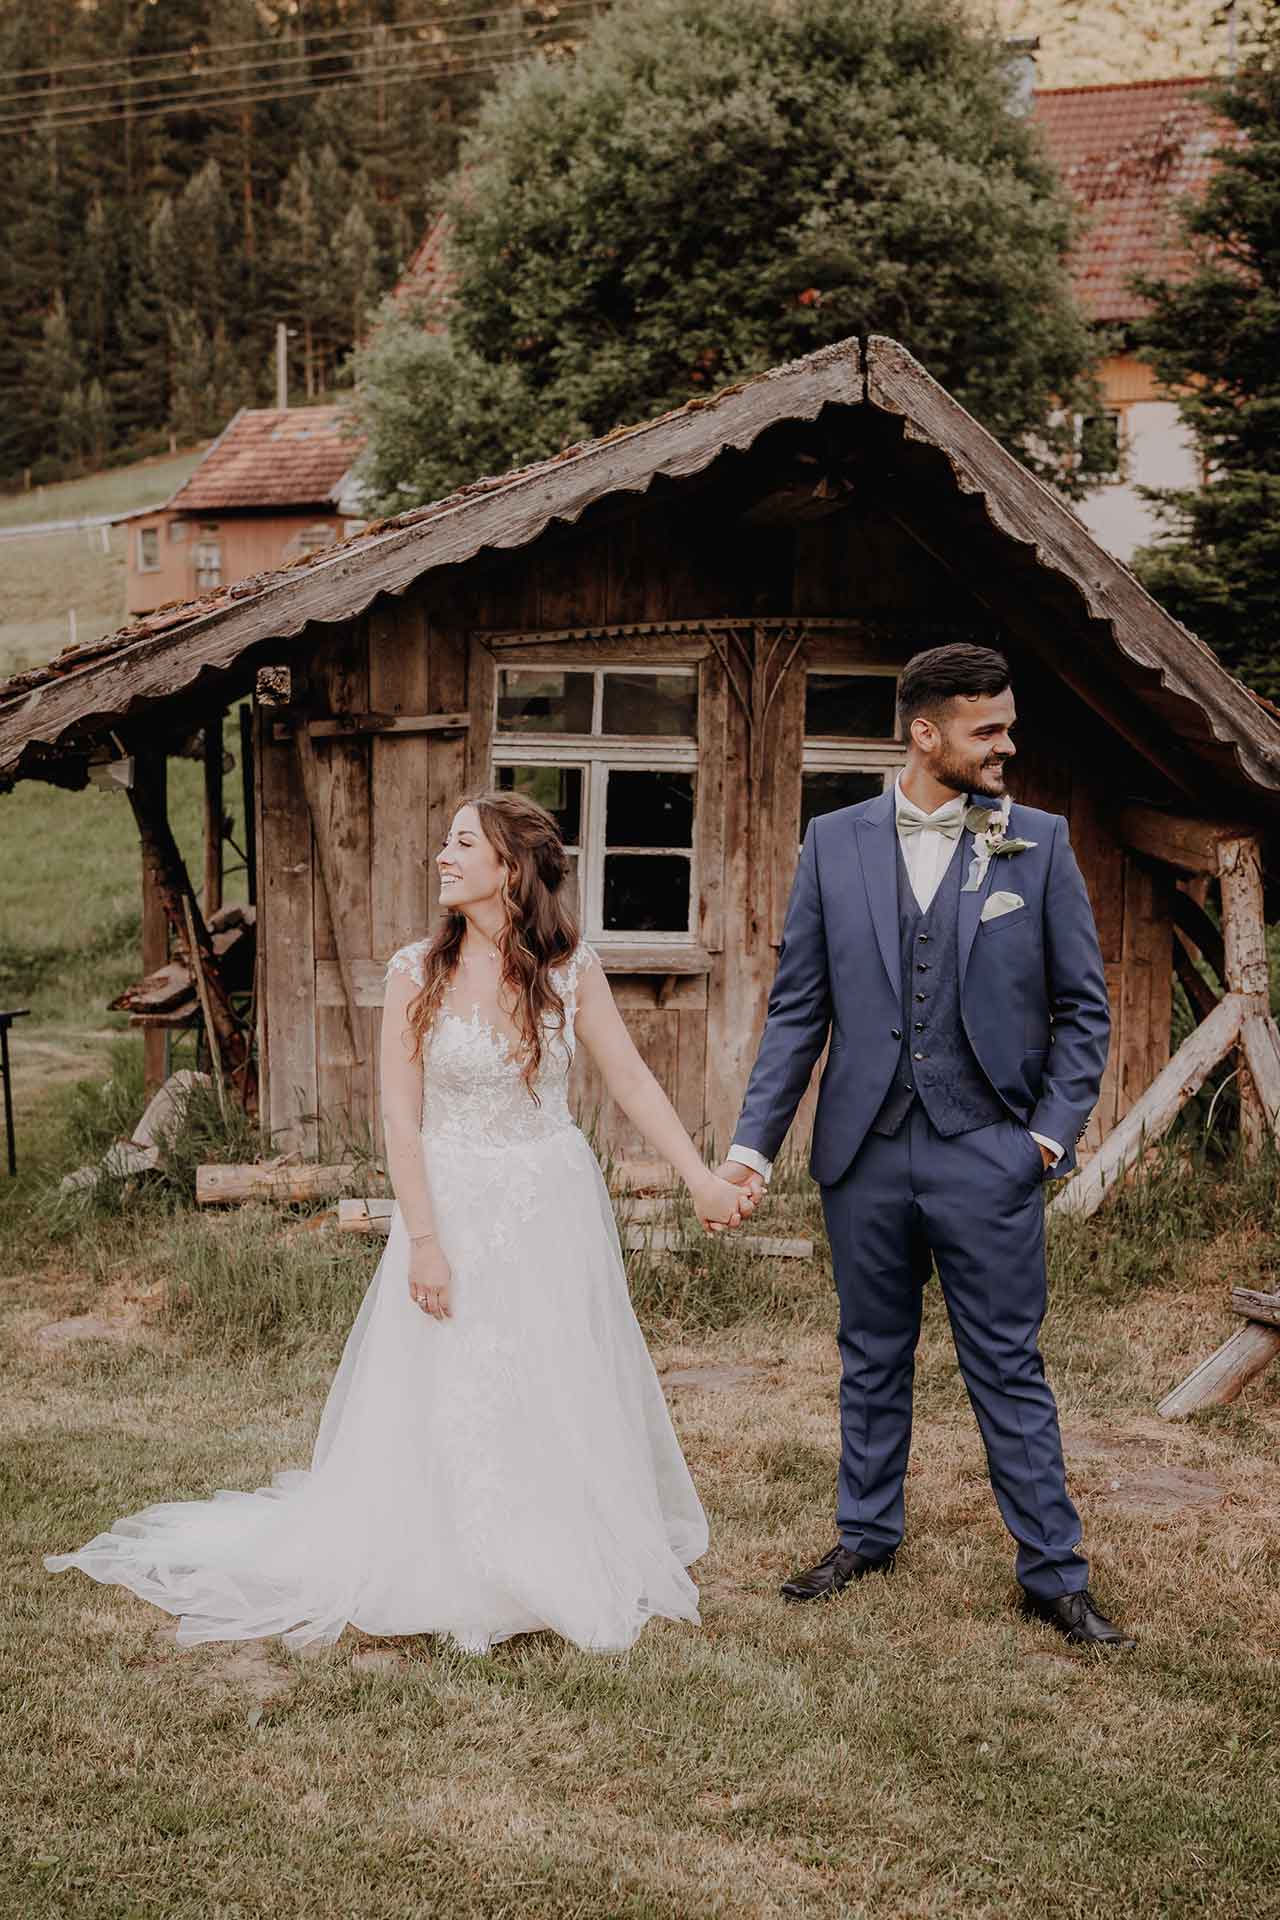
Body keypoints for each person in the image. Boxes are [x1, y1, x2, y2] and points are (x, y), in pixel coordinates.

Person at [46, 791, 748, 1655]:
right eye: (446, 842)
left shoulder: (572, 970)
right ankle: (455, 1557)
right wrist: (423, 1240)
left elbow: (633, 1084)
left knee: (551, 1366)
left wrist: (701, 1181)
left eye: (462, 844)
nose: (443, 857)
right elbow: (398, 1118)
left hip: (550, 1199)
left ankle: (557, 1543)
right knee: (451, 1376)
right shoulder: (418, 970)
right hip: (450, 1201)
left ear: (511, 868)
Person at [715, 644, 1134, 1649]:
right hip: (860, 1151)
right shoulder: (833, 841)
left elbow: (1082, 1011)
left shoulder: (1036, 842)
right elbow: (796, 1011)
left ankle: (1052, 1573)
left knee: (1004, 1363)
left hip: (985, 1150)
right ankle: (864, 1534)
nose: (1005, 745)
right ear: (924, 733)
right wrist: (751, 1149)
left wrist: (1040, 1138)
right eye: (986, 729)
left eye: (1006, 725)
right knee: (869, 1355)